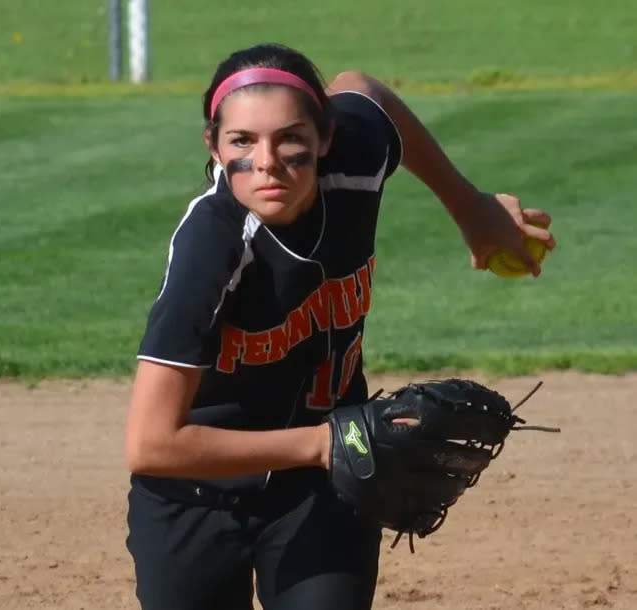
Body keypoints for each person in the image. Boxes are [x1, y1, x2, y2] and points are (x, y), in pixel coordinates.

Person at [124, 43, 556, 610]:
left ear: (325, 137)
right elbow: (151, 443)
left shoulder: (352, 163)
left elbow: (364, 86)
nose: (268, 161)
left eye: (291, 139)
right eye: (242, 142)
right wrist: (325, 442)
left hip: (323, 489)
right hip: (198, 496)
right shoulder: (212, 247)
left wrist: (468, 205)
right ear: (213, 145)